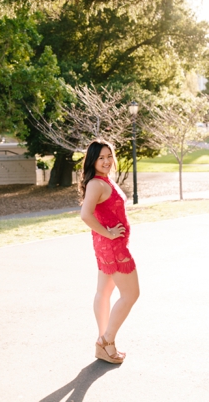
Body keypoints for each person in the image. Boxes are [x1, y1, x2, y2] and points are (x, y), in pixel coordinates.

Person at [79, 140, 140, 364]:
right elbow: (85, 215)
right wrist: (109, 233)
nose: (106, 161)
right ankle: (107, 341)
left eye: (109, 156)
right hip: (113, 247)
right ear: (93, 161)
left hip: (107, 246)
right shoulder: (96, 184)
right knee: (131, 294)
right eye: (100, 157)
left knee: (103, 292)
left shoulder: (106, 181)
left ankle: (102, 341)